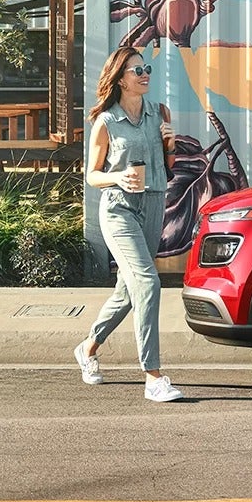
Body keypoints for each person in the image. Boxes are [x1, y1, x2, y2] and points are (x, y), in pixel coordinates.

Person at [73, 47, 184, 402]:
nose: (145, 74)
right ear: (120, 78)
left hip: (153, 204)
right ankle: (153, 375)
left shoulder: (159, 113)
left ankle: (88, 347)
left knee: (128, 289)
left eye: (146, 69)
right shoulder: (106, 122)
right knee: (148, 282)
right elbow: (91, 175)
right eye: (137, 71)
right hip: (119, 210)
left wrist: (170, 144)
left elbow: (169, 167)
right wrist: (118, 176)